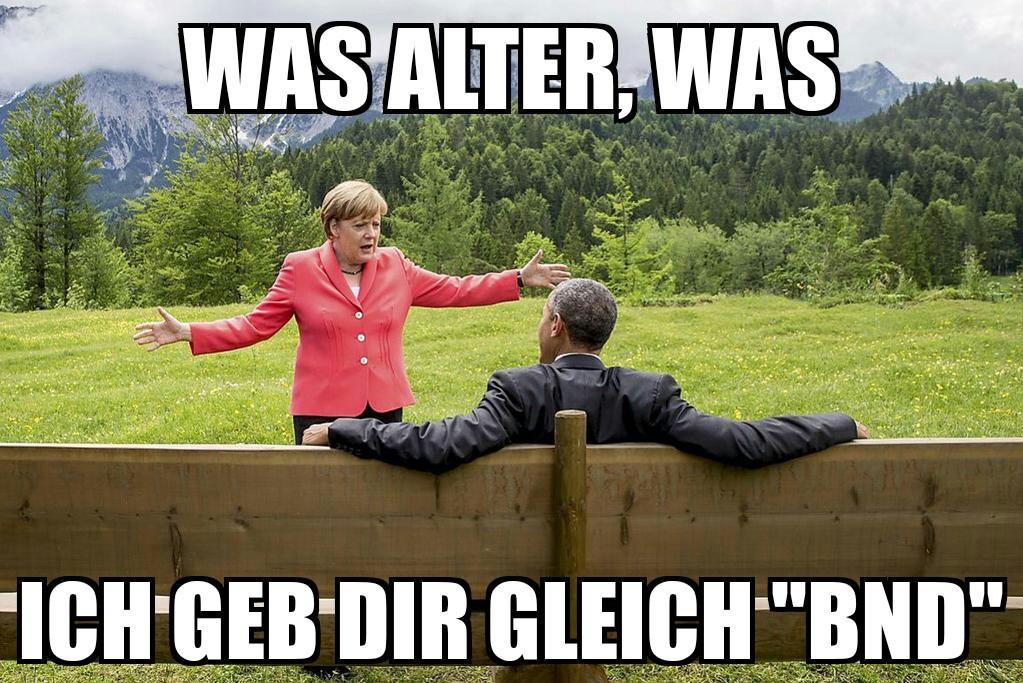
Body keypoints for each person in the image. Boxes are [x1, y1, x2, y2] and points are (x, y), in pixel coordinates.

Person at [132, 180, 570, 444]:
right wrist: (189, 331)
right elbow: (255, 325)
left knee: (381, 501)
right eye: (360, 225)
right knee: (321, 504)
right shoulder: (300, 268)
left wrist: (516, 278)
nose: (371, 234)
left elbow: (454, 289)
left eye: (376, 224)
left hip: (384, 407)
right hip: (320, 409)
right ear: (333, 228)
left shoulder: (396, 265)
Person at [302, 278, 869, 468]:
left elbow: (440, 445)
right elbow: (744, 442)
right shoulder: (649, 394)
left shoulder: (518, 390)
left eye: (542, 318)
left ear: (555, 324)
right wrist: (839, 424)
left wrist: (344, 428)